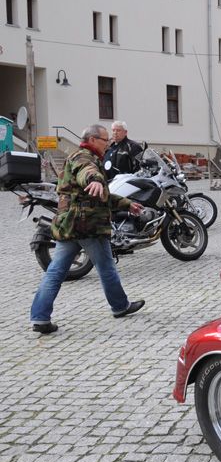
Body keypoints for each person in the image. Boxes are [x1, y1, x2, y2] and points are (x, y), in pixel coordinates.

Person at [29, 124, 145, 334]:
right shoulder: (84, 158)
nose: (108, 143)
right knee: (106, 267)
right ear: (92, 140)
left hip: (69, 224)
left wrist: (127, 204)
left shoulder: (79, 156)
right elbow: (87, 173)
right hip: (88, 225)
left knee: (55, 271)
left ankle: (40, 317)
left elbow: (100, 195)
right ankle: (120, 306)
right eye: (105, 139)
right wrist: (96, 179)